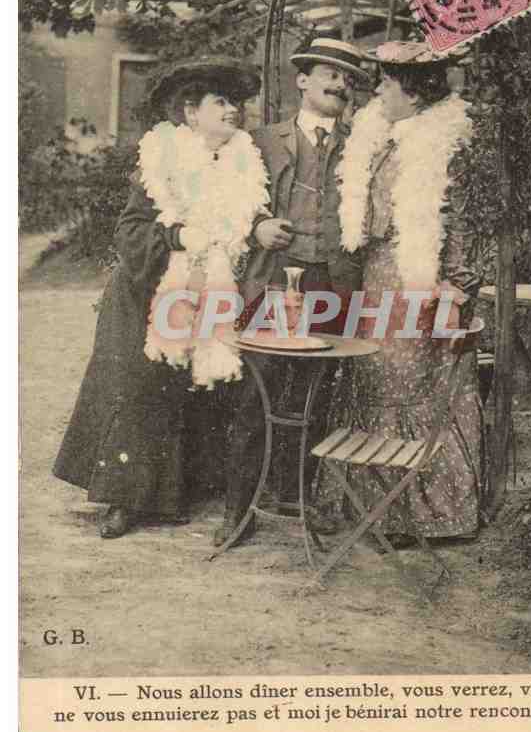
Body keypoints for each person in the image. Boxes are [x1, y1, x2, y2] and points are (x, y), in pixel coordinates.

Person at [53, 57, 270, 538]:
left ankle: (174, 494)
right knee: (142, 388)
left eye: (236, 102)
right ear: (191, 112)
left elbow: (244, 225)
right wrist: (175, 237)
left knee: (192, 388)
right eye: (220, 102)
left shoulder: (243, 162)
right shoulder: (162, 158)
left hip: (209, 292)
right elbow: (130, 232)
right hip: (145, 294)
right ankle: (125, 499)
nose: (232, 111)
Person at [323, 39, 482, 543]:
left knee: (413, 386)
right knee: (374, 377)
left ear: (414, 94)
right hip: (377, 277)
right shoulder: (379, 133)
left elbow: (461, 225)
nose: (378, 93)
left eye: (388, 84)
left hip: (420, 278)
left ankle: (425, 515)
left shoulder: (446, 143)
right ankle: (379, 509)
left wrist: (454, 289)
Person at [214, 37, 369, 547]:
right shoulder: (259, 141)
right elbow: (228, 200)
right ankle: (238, 511)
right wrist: (257, 225)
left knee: (314, 397)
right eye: (330, 73)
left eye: (347, 79)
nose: (339, 85)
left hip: (330, 282)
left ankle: (297, 499)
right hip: (272, 280)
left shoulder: (360, 146)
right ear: (302, 80)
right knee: (254, 396)